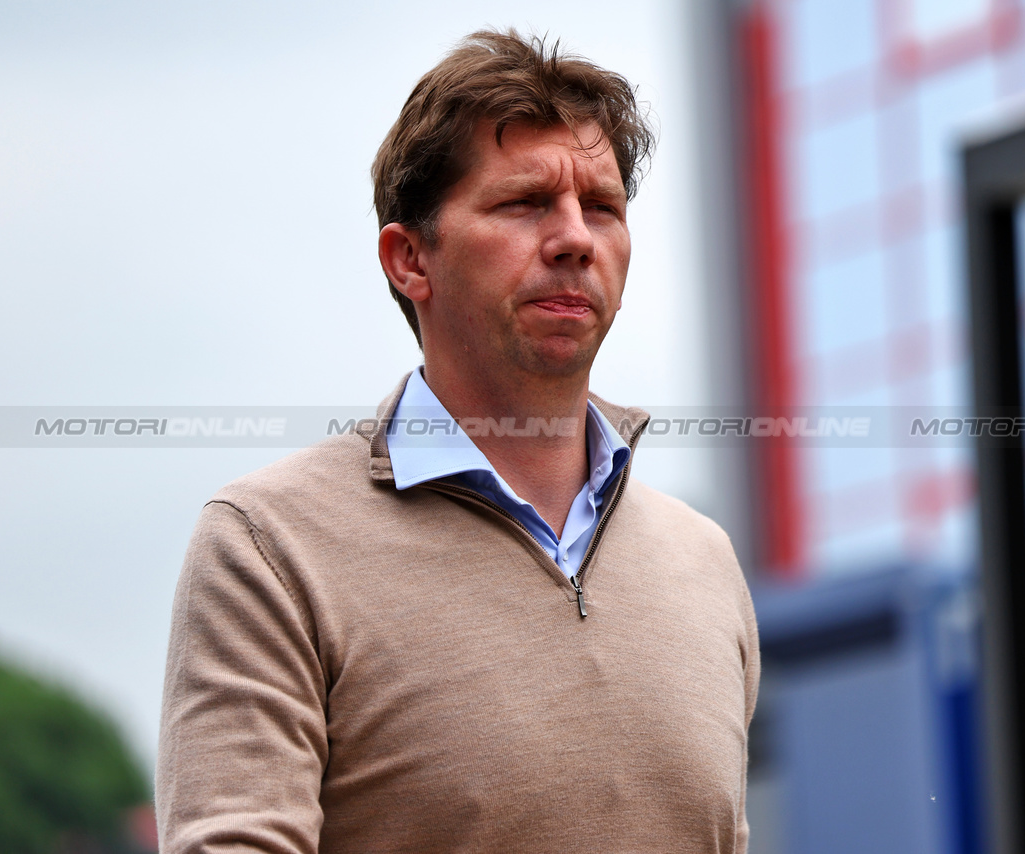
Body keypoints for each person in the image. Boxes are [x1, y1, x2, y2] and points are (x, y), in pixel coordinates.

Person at [156, 29, 759, 854]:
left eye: (603, 207)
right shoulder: (270, 548)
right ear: (410, 260)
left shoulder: (704, 563)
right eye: (524, 204)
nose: (576, 237)